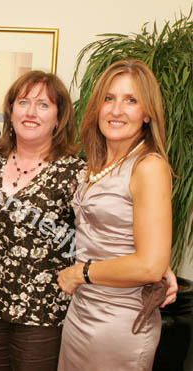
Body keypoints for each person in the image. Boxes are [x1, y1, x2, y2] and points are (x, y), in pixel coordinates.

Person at [57, 59, 177, 370]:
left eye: (131, 100)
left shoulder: (148, 166)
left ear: (147, 113)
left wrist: (80, 273)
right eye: (109, 98)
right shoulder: (93, 165)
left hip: (121, 323)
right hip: (82, 314)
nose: (116, 110)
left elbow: (150, 266)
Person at [0, 71, 85, 370]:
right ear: (10, 112)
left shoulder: (76, 172)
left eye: (44, 105)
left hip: (45, 314)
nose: (31, 112)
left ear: (59, 118)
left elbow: (96, 232)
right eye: (23, 102)